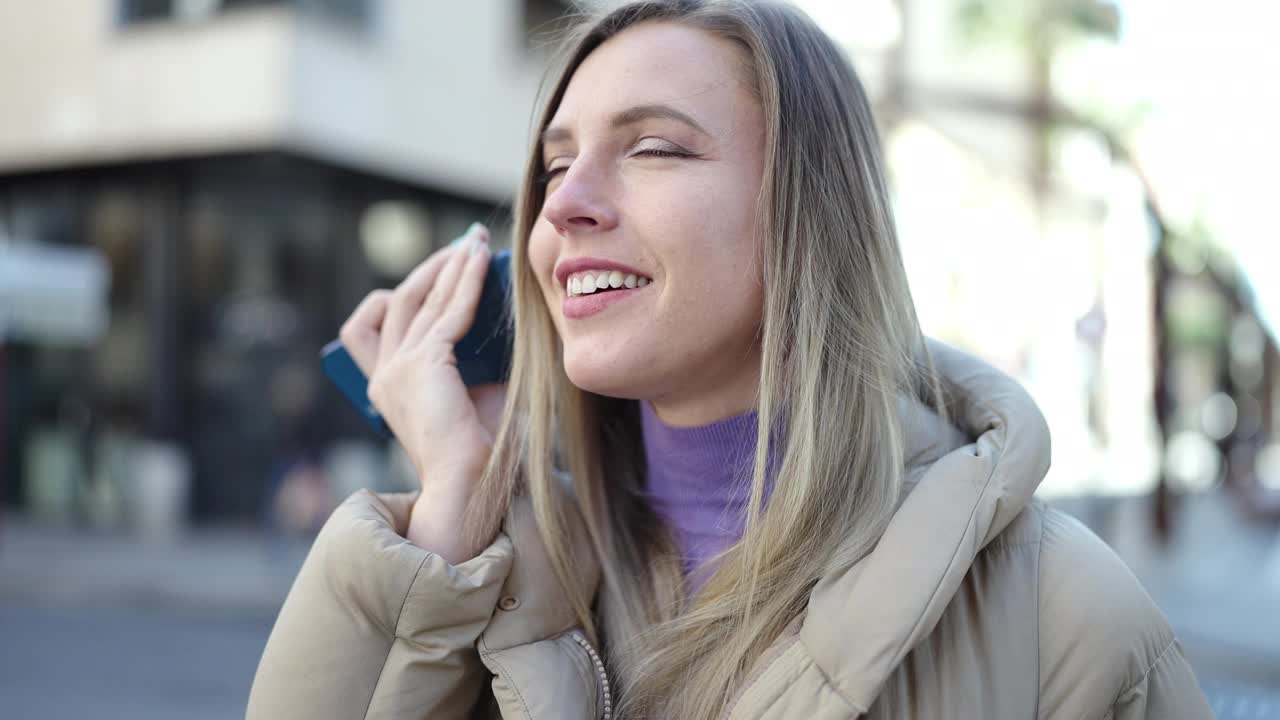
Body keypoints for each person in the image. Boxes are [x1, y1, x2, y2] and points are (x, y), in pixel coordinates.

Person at [247, 1, 1213, 718]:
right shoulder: (497, 564)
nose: (565, 203)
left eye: (656, 149)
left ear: (810, 217)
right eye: (553, 165)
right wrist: (458, 499)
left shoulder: (1066, 621)